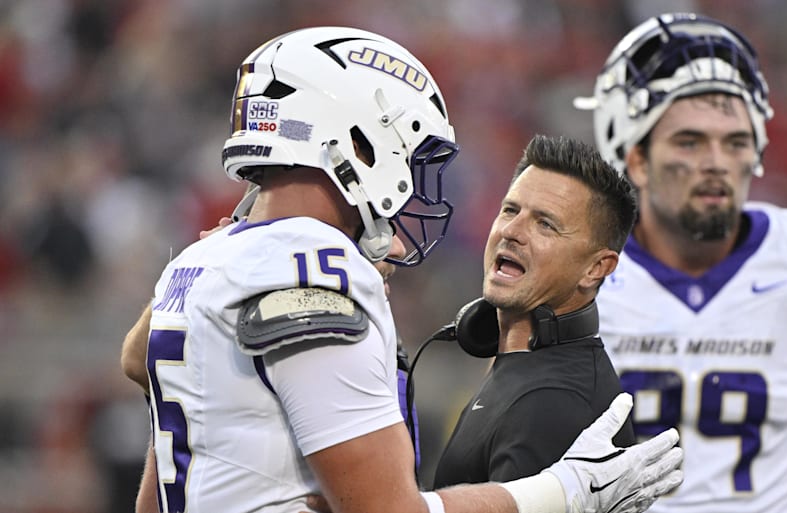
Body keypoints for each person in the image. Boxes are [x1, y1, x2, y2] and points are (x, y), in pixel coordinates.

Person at [124, 26, 684, 513]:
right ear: (356, 143)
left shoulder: (202, 260)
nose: (411, 187)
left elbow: (138, 360)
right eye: (410, 153)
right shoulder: (322, 272)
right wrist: (563, 490)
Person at [573, 12, 787, 513]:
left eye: (735, 141)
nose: (717, 161)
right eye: (690, 141)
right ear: (636, 159)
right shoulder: (575, 267)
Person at [434, 134, 638, 488]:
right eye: (510, 210)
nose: (511, 231)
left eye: (545, 224)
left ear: (596, 268)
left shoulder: (553, 402)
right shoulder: (525, 363)